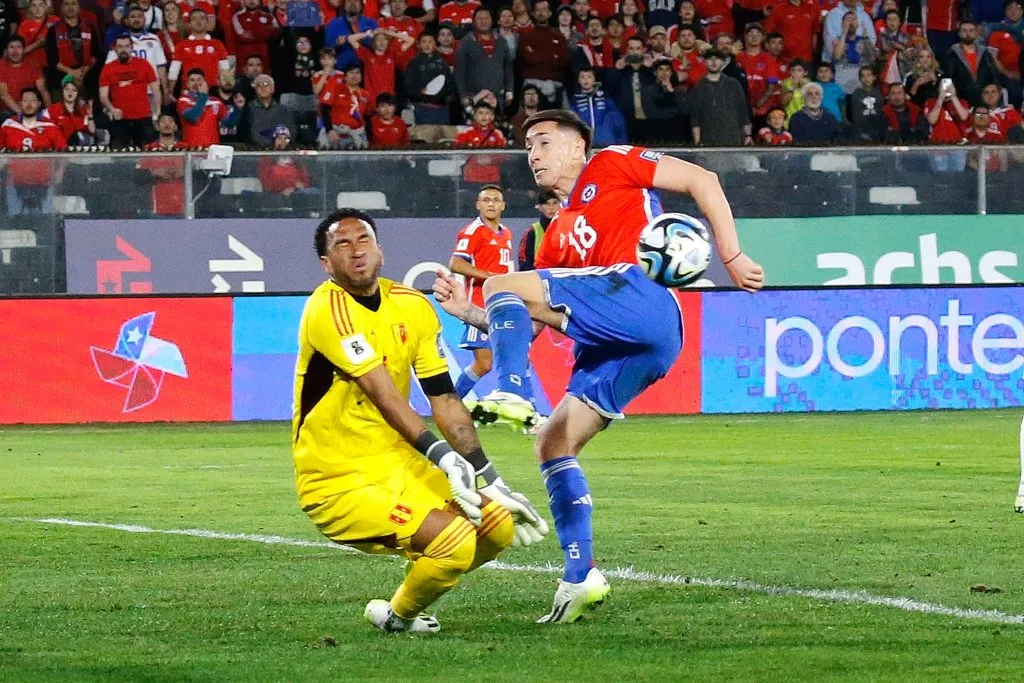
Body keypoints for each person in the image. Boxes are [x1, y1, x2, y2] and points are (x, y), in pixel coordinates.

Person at [432, 109, 764, 624]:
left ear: (577, 146)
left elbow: (703, 179)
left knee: (501, 283)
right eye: (527, 148)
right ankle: (580, 575)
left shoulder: (611, 163)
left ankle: (515, 392)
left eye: (542, 142)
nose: (533, 155)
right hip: (635, 346)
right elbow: (529, 318)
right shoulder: (557, 234)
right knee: (553, 442)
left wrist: (732, 254)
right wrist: (467, 313)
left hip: (641, 297)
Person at [294, 208, 546, 634]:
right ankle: (400, 616)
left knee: (497, 527)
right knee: (454, 541)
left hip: (400, 466)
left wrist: (489, 478)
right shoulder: (327, 310)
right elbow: (384, 395)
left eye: (364, 240)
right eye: (342, 244)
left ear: (381, 250)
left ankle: (401, 607)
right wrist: (446, 459)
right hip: (338, 479)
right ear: (326, 263)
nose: (357, 252)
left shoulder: (412, 306)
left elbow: (444, 398)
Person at [447, 185, 515, 400]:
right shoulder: (473, 231)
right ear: (478, 205)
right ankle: (452, 404)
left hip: (502, 304)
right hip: (479, 306)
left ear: (503, 205)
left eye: (496, 200)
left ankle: (526, 408)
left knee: (518, 358)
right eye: (486, 200)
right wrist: (490, 277)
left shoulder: (506, 232)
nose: (491, 204)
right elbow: (456, 263)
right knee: (484, 363)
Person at [99, 34, 159, 148]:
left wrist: (157, 111)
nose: (123, 50)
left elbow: (156, 89)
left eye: (126, 46)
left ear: (132, 48)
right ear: (115, 49)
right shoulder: (108, 68)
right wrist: (112, 109)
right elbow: (103, 96)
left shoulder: (144, 64)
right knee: (117, 155)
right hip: (120, 119)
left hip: (143, 117)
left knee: (150, 155)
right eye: (120, 46)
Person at [689, 49, 751, 145]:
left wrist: (748, 135)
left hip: (735, 140)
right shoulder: (698, 87)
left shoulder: (733, 84)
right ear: (704, 62)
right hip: (709, 142)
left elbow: (743, 112)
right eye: (710, 59)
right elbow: (695, 118)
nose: (713, 62)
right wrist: (697, 142)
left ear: (723, 62)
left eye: (717, 59)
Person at [517, 189, 560, 271]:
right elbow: (524, 263)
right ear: (539, 207)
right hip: (538, 280)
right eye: (547, 203)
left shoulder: (567, 230)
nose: (551, 207)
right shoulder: (532, 232)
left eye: (555, 203)